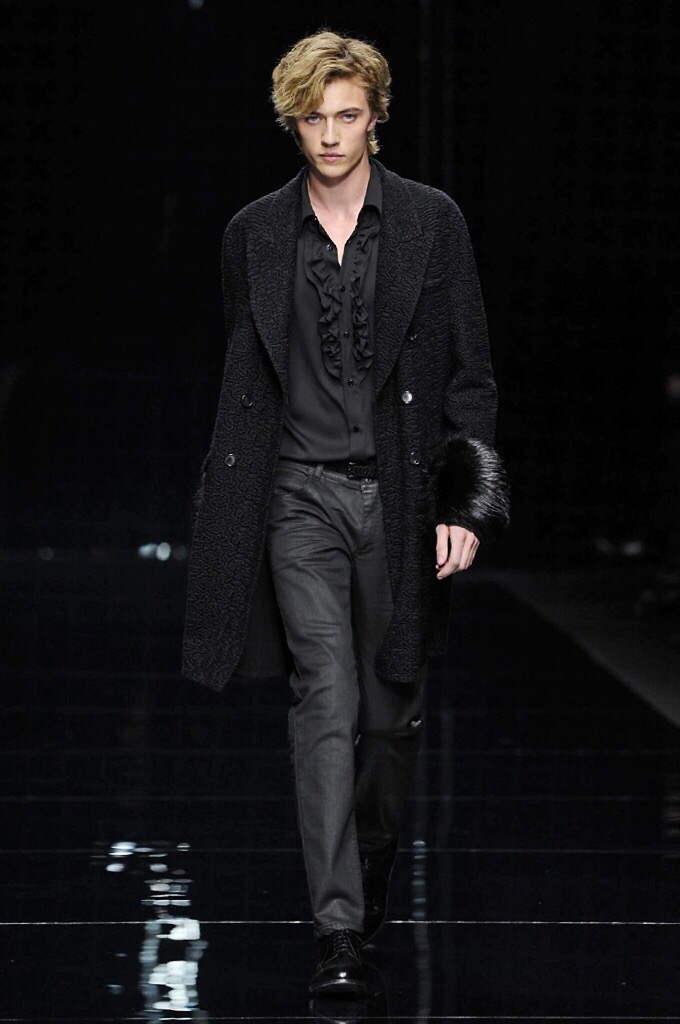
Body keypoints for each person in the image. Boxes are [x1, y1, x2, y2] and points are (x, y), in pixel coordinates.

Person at [182, 29, 510, 998]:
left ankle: (369, 860)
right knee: (322, 699)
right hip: (297, 495)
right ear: (292, 124)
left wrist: (465, 502)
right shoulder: (252, 234)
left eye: (347, 116)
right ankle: (336, 930)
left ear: (376, 118)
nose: (329, 135)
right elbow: (249, 375)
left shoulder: (430, 222)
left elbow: (471, 374)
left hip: (401, 497)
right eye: (312, 118)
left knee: (392, 714)